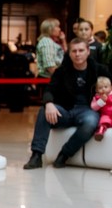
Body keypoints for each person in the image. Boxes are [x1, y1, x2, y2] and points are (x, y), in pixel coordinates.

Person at [24, 38, 110, 169]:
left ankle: (64, 155)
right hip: (65, 109)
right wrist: (49, 104)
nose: (77, 54)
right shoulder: (62, 71)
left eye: (81, 50)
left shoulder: (100, 70)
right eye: (74, 51)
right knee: (43, 111)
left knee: (91, 122)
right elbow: (49, 90)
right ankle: (36, 155)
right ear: (69, 53)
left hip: (88, 110)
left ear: (88, 52)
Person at [91, 76, 112, 141]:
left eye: (106, 87)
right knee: (103, 121)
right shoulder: (97, 97)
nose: (103, 89)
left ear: (110, 87)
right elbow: (93, 107)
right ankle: (100, 132)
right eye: (100, 88)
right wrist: (101, 101)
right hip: (105, 114)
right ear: (96, 90)